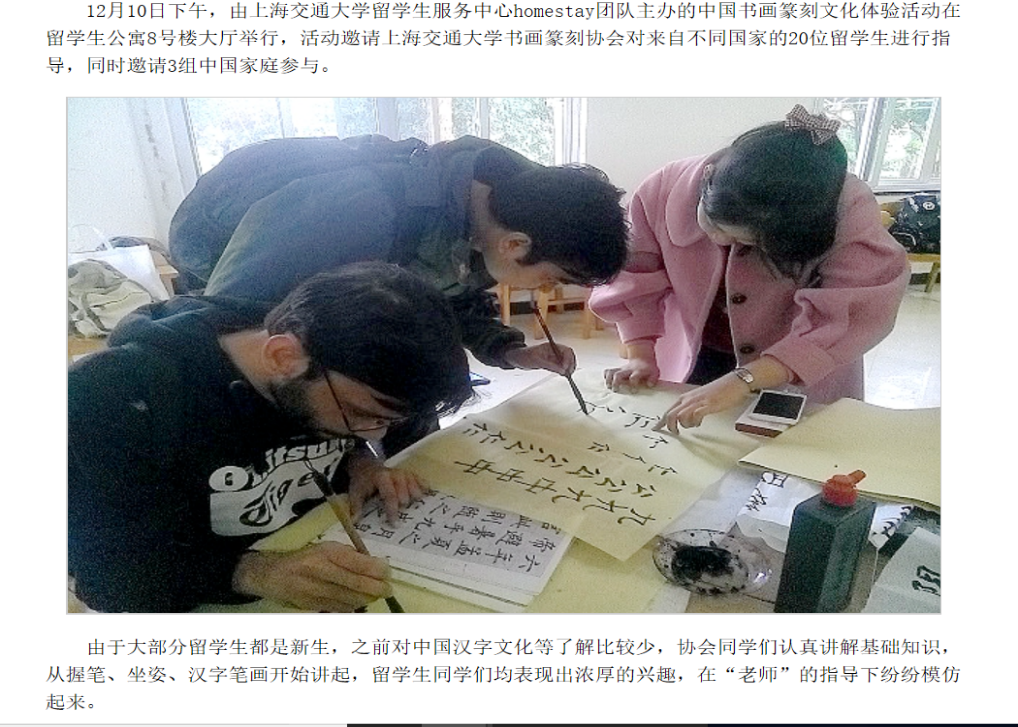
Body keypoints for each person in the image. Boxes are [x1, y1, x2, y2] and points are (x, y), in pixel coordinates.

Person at [168, 134, 629, 445]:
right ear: (516, 246)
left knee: (407, 429)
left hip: (332, 278)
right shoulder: (363, 210)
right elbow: (224, 325)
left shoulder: (500, 213)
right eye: (553, 279)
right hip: (230, 254)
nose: (547, 290)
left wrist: (511, 351)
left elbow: (448, 298)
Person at [68, 262, 474, 613]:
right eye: (363, 415)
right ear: (283, 357)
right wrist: (255, 572)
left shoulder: (336, 365)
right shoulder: (111, 398)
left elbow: (372, 421)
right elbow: (107, 575)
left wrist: (364, 460)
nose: (378, 433)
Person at [590, 105, 910, 432]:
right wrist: (640, 352)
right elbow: (634, 274)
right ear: (708, 177)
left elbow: (857, 307)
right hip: (695, 353)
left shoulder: (846, 205)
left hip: (799, 368)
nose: (720, 240)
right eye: (714, 224)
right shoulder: (663, 189)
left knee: (781, 453)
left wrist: (745, 379)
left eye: (747, 241)